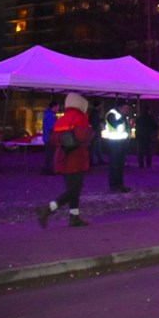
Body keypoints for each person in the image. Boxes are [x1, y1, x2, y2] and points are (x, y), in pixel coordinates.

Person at [36, 92, 94, 228]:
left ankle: (74, 217)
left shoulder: (61, 119)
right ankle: (49, 208)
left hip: (62, 157)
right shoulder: (80, 118)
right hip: (76, 158)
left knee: (72, 188)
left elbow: (54, 139)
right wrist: (91, 133)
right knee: (75, 189)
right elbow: (82, 136)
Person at [103, 103, 132, 193]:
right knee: (115, 165)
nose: (127, 110)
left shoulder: (120, 115)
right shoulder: (112, 114)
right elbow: (115, 125)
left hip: (120, 143)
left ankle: (119, 185)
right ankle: (114, 185)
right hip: (114, 143)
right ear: (120, 107)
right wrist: (123, 117)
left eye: (128, 108)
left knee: (120, 165)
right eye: (126, 108)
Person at [40, 100, 59, 175]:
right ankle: (48, 170)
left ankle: (46, 169)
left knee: (48, 154)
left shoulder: (47, 114)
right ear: (53, 107)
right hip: (50, 138)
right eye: (57, 107)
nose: (58, 109)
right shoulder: (50, 116)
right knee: (50, 154)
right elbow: (52, 127)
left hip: (47, 137)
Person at [88, 100, 105, 166]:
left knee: (96, 147)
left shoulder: (93, 113)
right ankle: (93, 161)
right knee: (95, 147)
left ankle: (95, 160)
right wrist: (100, 121)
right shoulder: (95, 113)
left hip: (95, 131)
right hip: (95, 132)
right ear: (98, 106)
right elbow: (96, 122)